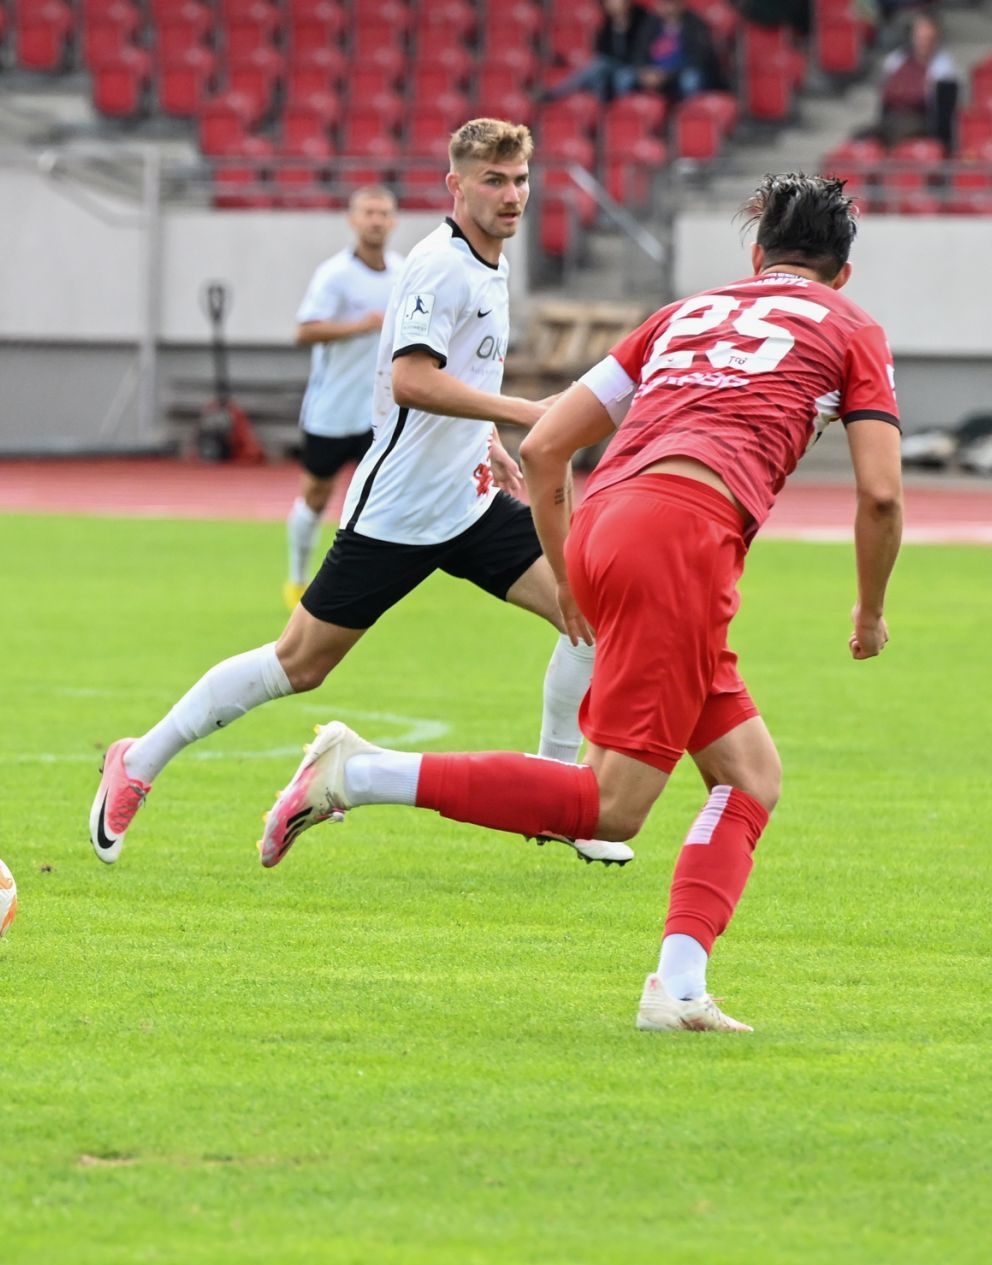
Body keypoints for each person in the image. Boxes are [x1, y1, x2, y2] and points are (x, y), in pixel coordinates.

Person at [261, 174, 903, 1033]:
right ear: (843, 274)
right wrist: (868, 612)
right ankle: (356, 773)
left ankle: (677, 988)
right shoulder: (854, 327)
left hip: (607, 522)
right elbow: (883, 495)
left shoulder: (684, 312)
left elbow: (552, 440)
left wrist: (569, 574)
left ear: (754, 257)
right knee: (610, 805)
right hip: (681, 539)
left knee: (750, 777)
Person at [90, 119, 634, 870]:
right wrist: (524, 415)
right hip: (401, 513)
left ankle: (560, 801)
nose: (511, 196)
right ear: (456, 186)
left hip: (469, 505)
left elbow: (460, 373)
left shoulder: (490, 263)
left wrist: (489, 444)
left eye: (519, 180)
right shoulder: (438, 266)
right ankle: (138, 760)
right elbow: (411, 379)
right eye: (493, 181)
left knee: (590, 619)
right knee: (300, 663)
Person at [283, 186, 402, 611]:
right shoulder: (334, 275)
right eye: (368, 212)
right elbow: (305, 330)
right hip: (331, 410)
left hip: (380, 413)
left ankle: (363, 586)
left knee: (379, 498)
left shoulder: (403, 274)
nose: (375, 220)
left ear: (393, 221)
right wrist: (361, 326)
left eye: (383, 213)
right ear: (353, 220)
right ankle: (296, 577)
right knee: (316, 495)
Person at [869, 12, 961, 152]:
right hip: (892, 118)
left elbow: (942, 116)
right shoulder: (896, 60)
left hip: (922, 121)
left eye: (928, 38)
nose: (923, 42)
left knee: (901, 133)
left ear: (936, 39)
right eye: (920, 37)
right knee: (862, 138)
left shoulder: (944, 69)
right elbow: (885, 98)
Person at [616, 0, 723, 101]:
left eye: (670, 3)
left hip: (679, 72)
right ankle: (627, 113)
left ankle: (690, 114)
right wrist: (643, 71)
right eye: (663, 3)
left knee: (690, 79)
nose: (666, 7)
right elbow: (639, 52)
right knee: (624, 76)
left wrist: (668, 74)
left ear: (681, 4)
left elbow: (699, 59)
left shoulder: (695, 24)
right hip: (653, 72)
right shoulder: (651, 24)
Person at [548, 0, 650, 103]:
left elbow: (641, 49)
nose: (611, 5)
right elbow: (602, 49)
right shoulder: (608, 22)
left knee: (622, 79)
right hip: (612, 63)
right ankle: (555, 94)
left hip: (634, 65)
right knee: (595, 69)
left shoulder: (642, 19)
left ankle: (621, 109)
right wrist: (617, 28)